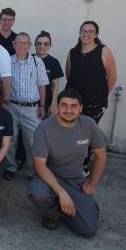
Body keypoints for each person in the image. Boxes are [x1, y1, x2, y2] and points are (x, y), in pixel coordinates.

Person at [28, 89, 107, 237]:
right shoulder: (44, 128)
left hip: (75, 180)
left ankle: (77, 206)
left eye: (73, 106)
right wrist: (62, 193)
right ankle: (54, 209)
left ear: (81, 108)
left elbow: (101, 155)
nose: (68, 110)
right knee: (38, 194)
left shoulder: (88, 124)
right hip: (49, 178)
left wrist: (92, 184)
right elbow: (39, 165)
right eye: (64, 105)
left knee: (88, 230)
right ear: (57, 107)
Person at [3, 32, 49, 180]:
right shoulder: (7, 61)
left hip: (32, 109)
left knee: (32, 142)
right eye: (18, 42)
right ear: (14, 45)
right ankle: (11, 167)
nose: (21, 46)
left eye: (24, 43)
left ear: (29, 45)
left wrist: (42, 105)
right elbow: (2, 83)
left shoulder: (37, 62)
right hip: (12, 107)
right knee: (10, 140)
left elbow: (42, 86)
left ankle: (33, 171)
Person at [65, 21, 117, 124]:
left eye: (90, 31)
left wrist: (102, 95)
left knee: (87, 133)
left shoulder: (103, 51)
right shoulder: (72, 53)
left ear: (96, 34)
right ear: (80, 33)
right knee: (70, 130)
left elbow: (112, 77)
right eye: (83, 31)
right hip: (73, 101)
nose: (86, 34)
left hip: (94, 104)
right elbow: (69, 75)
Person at [33, 31, 64, 116]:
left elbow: (55, 86)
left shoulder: (54, 62)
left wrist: (53, 104)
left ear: (50, 46)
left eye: (45, 44)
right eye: (39, 43)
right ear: (34, 45)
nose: (42, 46)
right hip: (30, 103)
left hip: (46, 102)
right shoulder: (28, 59)